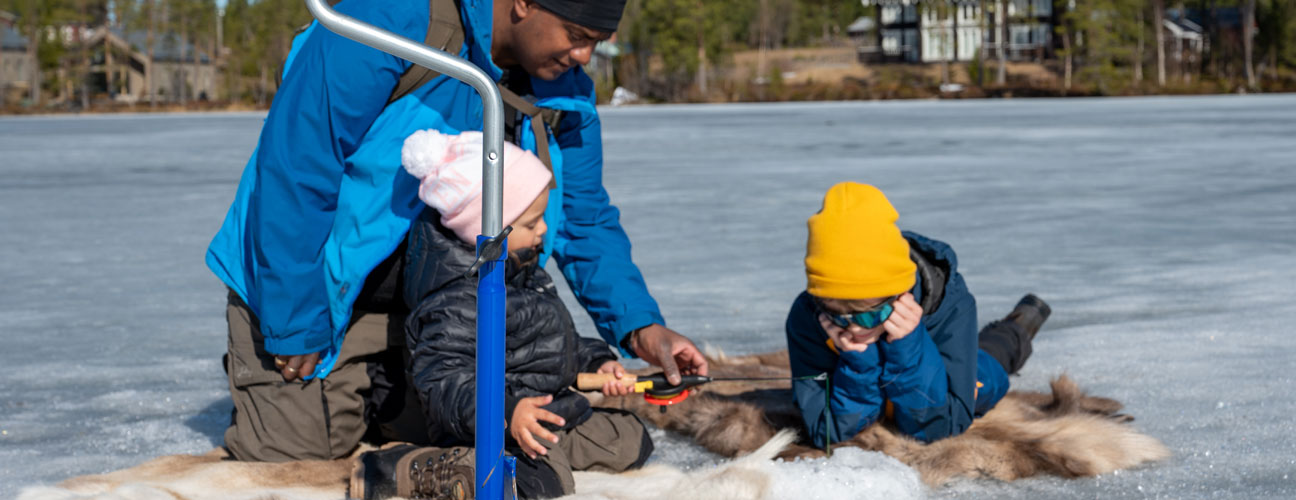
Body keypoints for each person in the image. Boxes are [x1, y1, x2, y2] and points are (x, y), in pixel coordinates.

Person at [207, 0, 706, 464]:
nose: (585, 56)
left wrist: (641, 327)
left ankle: (397, 422)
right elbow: (295, 169)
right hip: (323, 298)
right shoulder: (393, 17)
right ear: (524, 3)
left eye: (597, 40)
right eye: (576, 34)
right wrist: (294, 320)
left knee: (554, 438)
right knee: (294, 465)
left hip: (452, 318)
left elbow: (583, 216)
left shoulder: (564, 88)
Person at [348, 130, 650, 500]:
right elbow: (444, 384)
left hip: (541, 408)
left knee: (628, 441)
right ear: (486, 229)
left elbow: (555, 341)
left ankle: (526, 449)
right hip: (483, 426)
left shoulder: (522, 271)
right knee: (539, 483)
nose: (543, 231)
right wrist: (508, 414)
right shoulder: (456, 298)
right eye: (531, 223)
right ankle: (402, 469)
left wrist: (598, 361)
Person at [785, 182, 1051, 448]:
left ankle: (1015, 330)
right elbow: (829, 434)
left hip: (937, 358)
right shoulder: (807, 316)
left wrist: (909, 348)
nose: (854, 329)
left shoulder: (949, 302)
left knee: (989, 370)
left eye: (867, 316)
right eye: (838, 316)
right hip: (867, 374)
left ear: (900, 293)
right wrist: (858, 362)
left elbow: (938, 428)